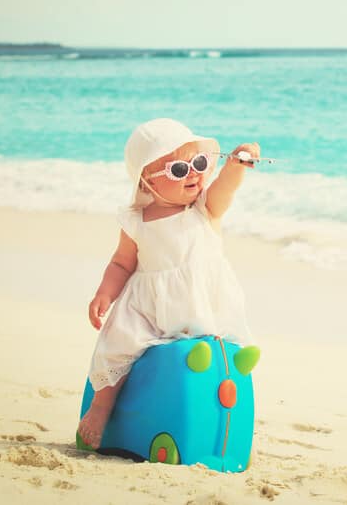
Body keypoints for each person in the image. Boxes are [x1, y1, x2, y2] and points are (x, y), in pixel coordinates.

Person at [77, 118, 258, 449]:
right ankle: (101, 407)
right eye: (178, 170)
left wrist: (235, 166)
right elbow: (122, 263)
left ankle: (225, 385)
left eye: (199, 164)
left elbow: (225, 188)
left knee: (218, 343)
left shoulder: (204, 208)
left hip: (203, 302)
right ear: (147, 182)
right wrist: (104, 294)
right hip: (148, 307)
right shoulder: (136, 221)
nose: (193, 174)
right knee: (117, 345)